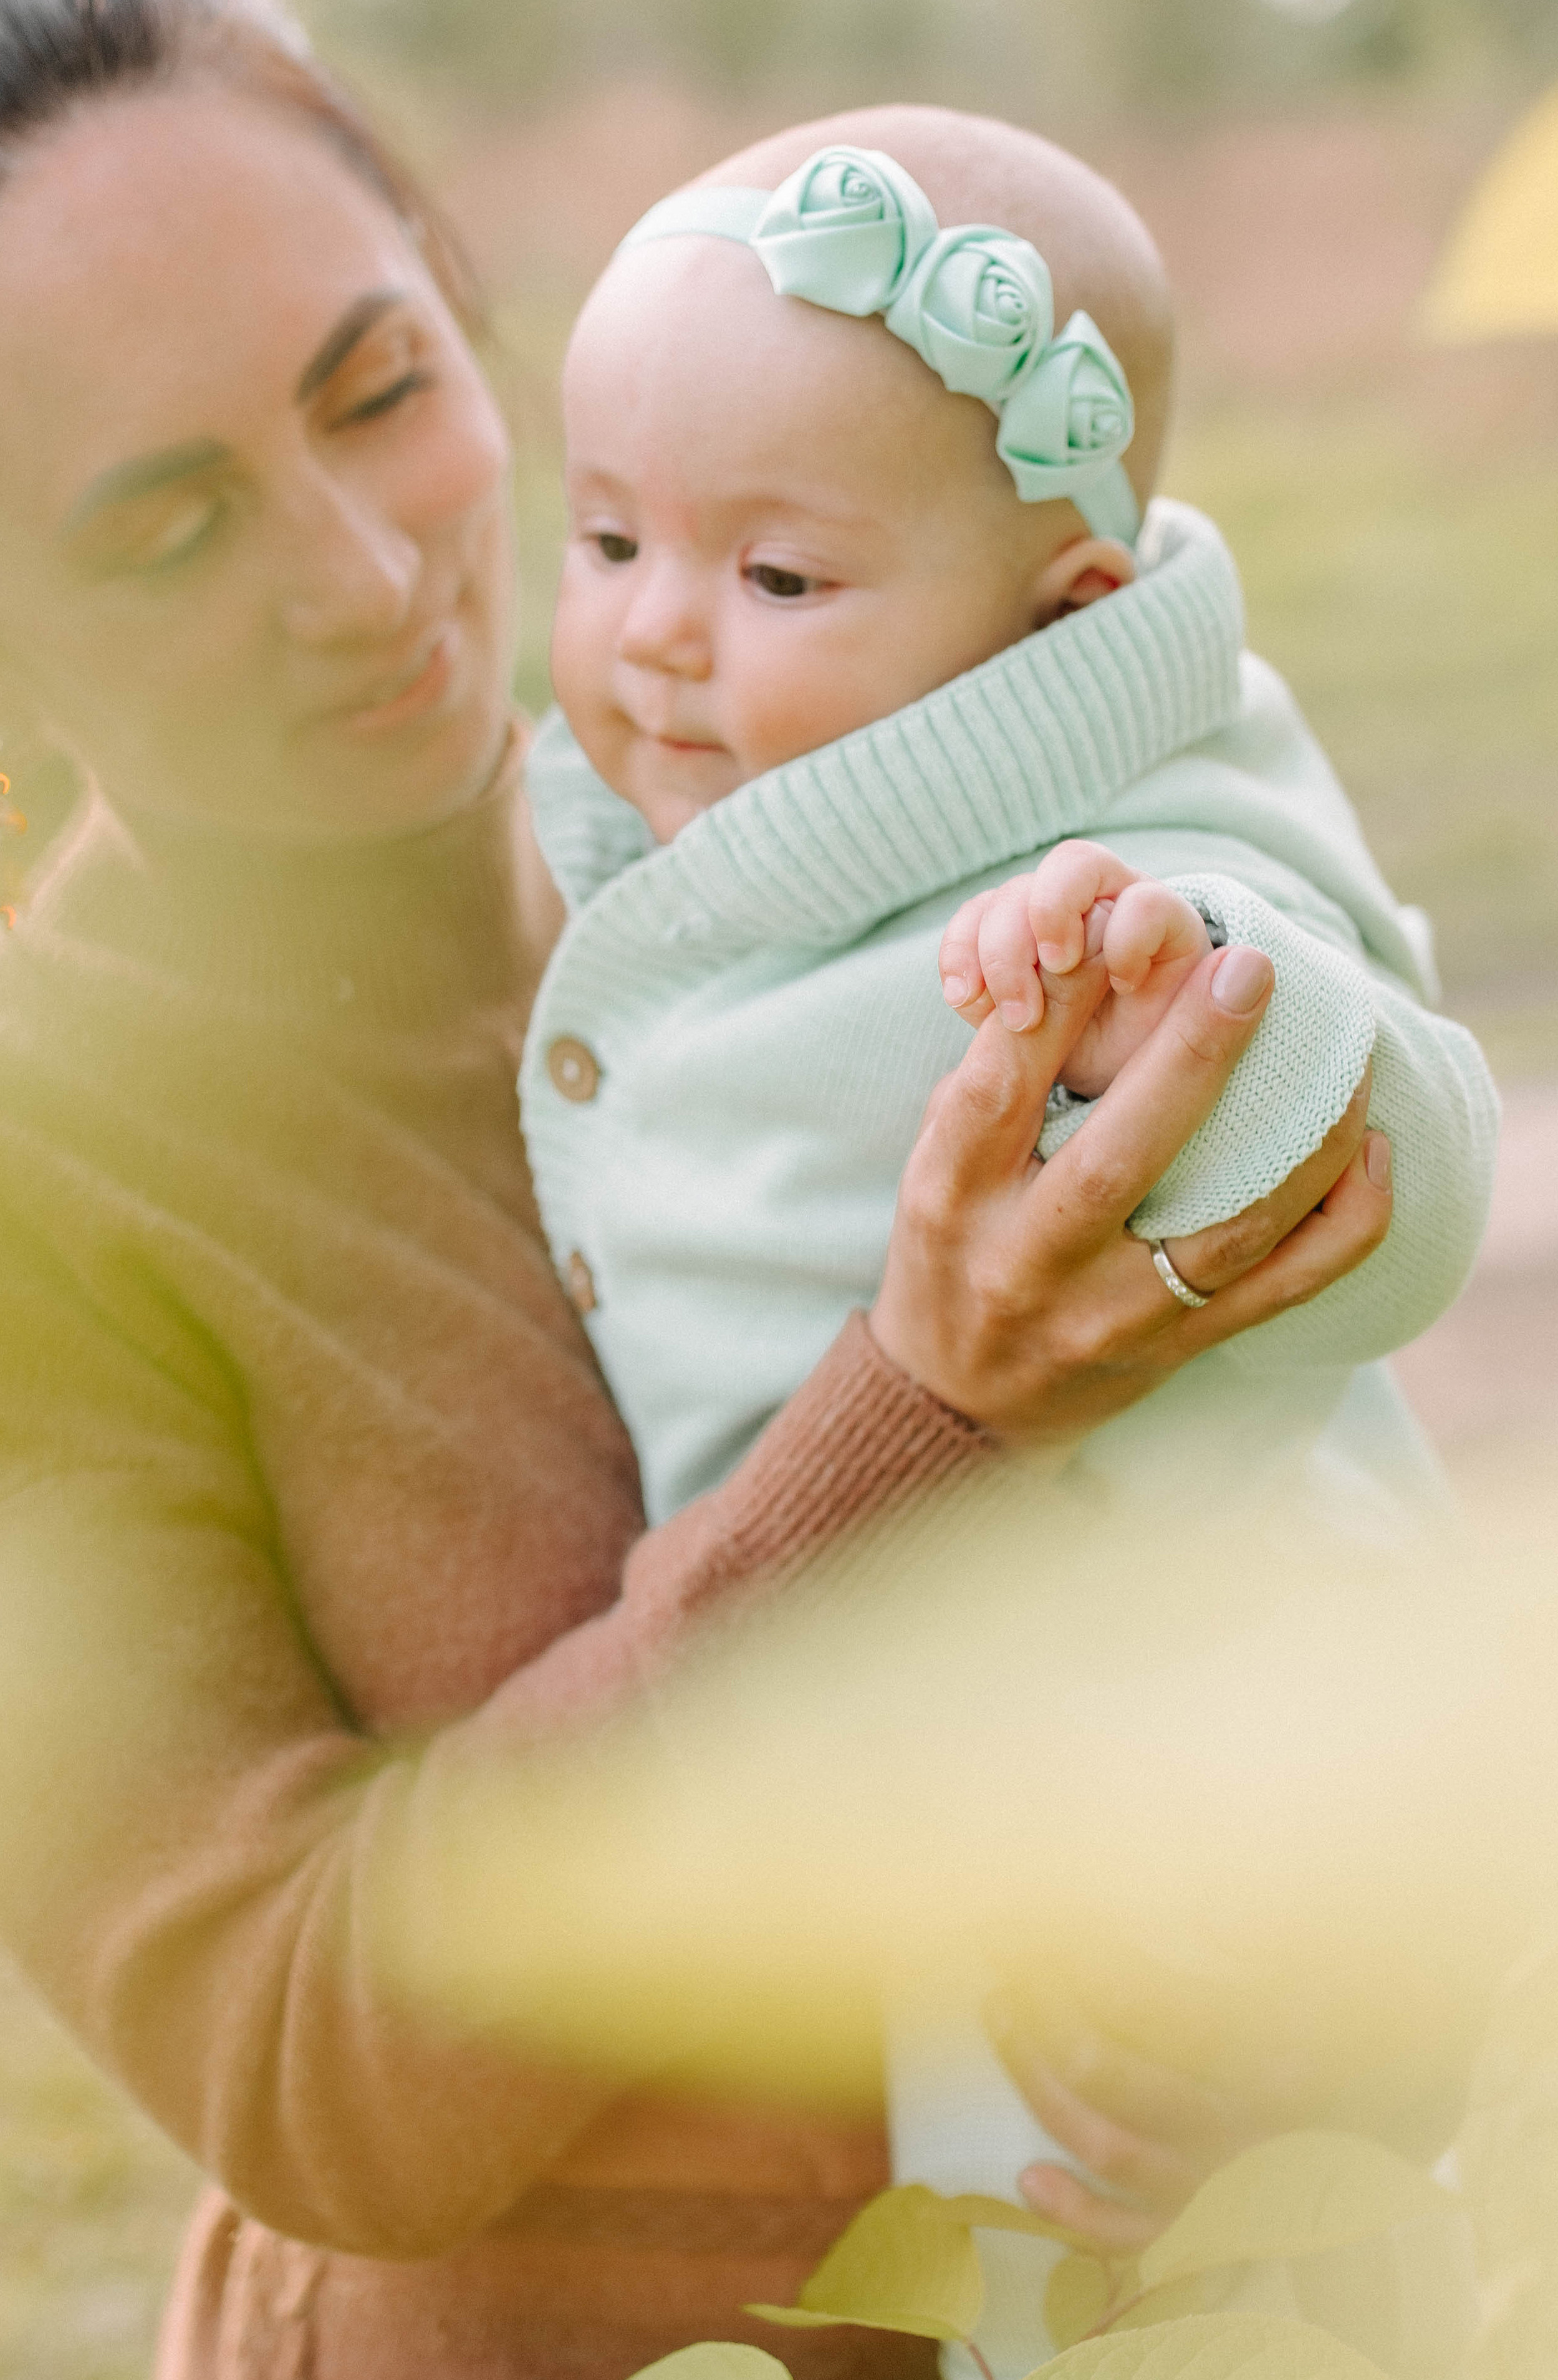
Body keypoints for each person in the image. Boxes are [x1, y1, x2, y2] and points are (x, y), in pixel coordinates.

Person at [0, 11, 1394, 2380]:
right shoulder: (32, 1171)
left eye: (375, 392)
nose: (364, 574)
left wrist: (1284, 2001)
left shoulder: (827, 824)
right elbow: (303, 2065)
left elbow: (1264, 1526)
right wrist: (916, 1421)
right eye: (171, 525)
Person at [522, 107, 1499, 2374]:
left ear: (1054, 620)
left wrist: (1214, 997)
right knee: (1028, 2261)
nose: (653, 633)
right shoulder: (705, 826)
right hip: (948, 1788)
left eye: (776, 578)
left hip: (1201, 1787)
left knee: (1206, 2251)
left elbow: (1413, 1177)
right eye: (604, 538)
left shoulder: (1130, 859)